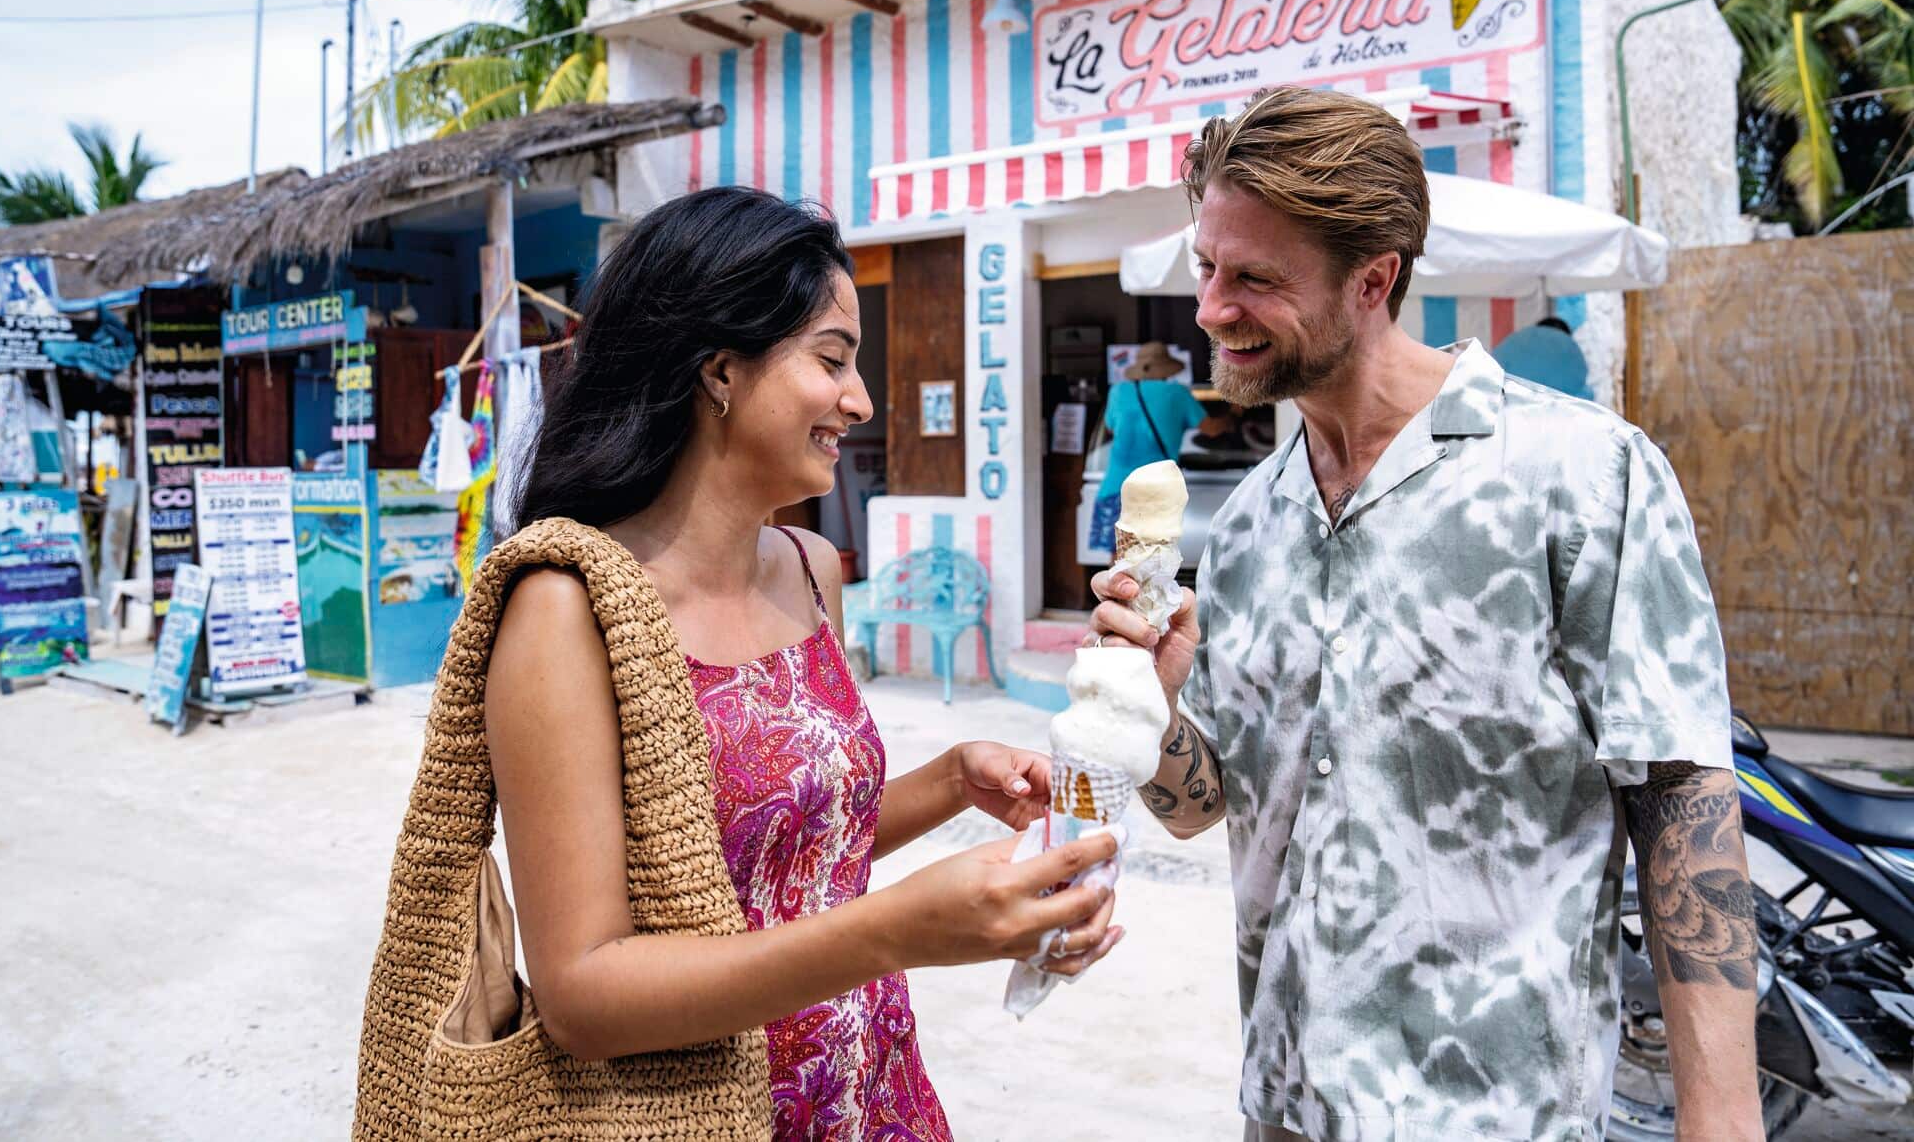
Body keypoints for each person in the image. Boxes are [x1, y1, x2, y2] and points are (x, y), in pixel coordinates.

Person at [1089, 88, 1759, 1141]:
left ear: (1373, 280)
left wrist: (1720, 1119)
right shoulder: (1252, 519)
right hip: (1282, 1102)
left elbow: (1679, 800)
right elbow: (1202, 806)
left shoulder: (1580, 476)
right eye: (1206, 268)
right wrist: (1150, 712)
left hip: (1499, 1114)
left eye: (1253, 279)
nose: (1209, 309)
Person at [484, 187, 1121, 1140]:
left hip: (877, 1098)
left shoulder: (812, 569)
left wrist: (954, 780)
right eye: (832, 359)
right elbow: (582, 994)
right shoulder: (565, 610)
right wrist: (895, 930)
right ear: (719, 370)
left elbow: (799, 852)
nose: (859, 399)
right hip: (712, 1116)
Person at [1089, 339, 1207, 553]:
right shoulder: (1177, 393)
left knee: (1120, 559)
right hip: (1155, 490)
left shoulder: (1118, 392)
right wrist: (1236, 413)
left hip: (1116, 488)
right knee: (1154, 558)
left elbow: (1110, 428)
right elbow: (1211, 429)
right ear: (1167, 368)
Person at [1492, 313, 1593, 399]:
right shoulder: (1569, 349)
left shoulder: (1515, 341)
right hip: (1553, 412)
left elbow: (1493, 369)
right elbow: (1579, 388)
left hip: (1511, 405)